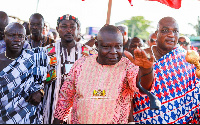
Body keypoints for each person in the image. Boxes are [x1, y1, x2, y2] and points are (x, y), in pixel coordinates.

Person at [53, 25, 154, 124]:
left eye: (118, 46)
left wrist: (146, 69)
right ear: (97, 45)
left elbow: (142, 87)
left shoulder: (127, 66)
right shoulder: (81, 65)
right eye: (107, 47)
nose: (113, 52)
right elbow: (65, 99)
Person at [132, 17, 200, 124]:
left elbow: (196, 91)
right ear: (156, 33)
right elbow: (135, 90)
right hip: (143, 119)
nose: (171, 35)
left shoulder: (186, 58)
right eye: (165, 30)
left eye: (175, 31)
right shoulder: (142, 55)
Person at [43, 14, 93, 124]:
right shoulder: (47, 51)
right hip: (51, 106)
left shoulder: (88, 53)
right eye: (64, 26)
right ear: (57, 29)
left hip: (78, 109)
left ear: (78, 29)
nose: (68, 30)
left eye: (72, 27)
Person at [0, 22, 48, 124]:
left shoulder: (35, 58)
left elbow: (49, 78)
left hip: (27, 118)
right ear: (4, 37)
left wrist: (40, 92)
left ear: (25, 38)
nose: (17, 40)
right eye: (12, 35)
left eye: (21, 36)